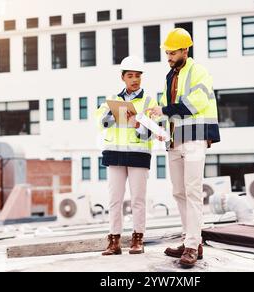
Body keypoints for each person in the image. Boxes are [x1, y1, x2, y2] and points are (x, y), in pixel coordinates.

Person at [148, 28, 221, 268]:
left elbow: (196, 103)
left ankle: (192, 245)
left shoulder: (199, 71)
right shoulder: (170, 76)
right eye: (167, 52)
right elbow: (168, 108)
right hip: (175, 139)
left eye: (172, 52)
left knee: (192, 191)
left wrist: (165, 110)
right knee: (178, 191)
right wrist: (159, 124)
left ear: (185, 50)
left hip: (195, 138)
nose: (168, 56)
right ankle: (191, 239)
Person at [96, 56, 158, 256]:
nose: (134, 79)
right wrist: (114, 114)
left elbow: (151, 132)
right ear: (122, 77)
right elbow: (102, 124)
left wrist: (138, 125)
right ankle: (114, 241)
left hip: (138, 155)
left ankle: (137, 239)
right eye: (130, 76)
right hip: (115, 154)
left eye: (138, 76)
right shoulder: (112, 100)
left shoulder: (149, 101)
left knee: (138, 200)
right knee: (115, 199)